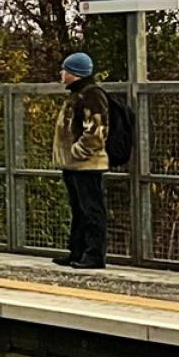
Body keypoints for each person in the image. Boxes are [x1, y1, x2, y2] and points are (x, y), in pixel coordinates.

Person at [53, 51, 110, 270]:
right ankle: (77, 251)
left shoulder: (91, 95)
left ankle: (94, 254)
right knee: (79, 208)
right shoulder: (78, 94)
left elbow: (96, 130)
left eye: (65, 70)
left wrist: (78, 151)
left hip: (87, 163)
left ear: (74, 73)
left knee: (91, 209)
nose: (62, 73)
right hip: (74, 163)